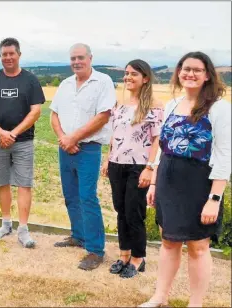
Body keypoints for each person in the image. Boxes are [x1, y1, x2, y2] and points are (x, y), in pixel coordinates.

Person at [140, 51, 231, 308]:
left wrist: (214, 198)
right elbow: (163, 148)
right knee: (168, 241)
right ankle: (160, 297)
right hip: (168, 180)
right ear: (179, 72)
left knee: (198, 247)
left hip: (199, 184)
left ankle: (196, 303)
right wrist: (156, 182)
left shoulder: (219, 109)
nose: (190, 74)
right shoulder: (172, 104)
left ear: (207, 75)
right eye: (185, 69)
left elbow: (225, 156)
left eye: (197, 70)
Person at [49, 43, 116, 270]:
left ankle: (95, 250)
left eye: (80, 58)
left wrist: (74, 138)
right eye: (73, 58)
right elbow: (54, 115)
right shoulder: (66, 84)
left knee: (87, 197)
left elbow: (103, 116)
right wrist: (63, 139)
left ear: (90, 58)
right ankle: (78, 235)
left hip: (88, 149)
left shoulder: (103, 82)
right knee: (70, 195)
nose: (76, 62)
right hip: (65, 148)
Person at [0, 37, 45, 248]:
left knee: (24, 184)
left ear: (19, 55)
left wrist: (12, 134)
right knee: (3, 182)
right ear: (0, 57)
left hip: (23, 141)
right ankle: (6, 224)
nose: (8, 57)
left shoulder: (30, 80)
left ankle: (23, 230)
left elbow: (36, 111)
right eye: (4, 54)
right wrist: (0, 132)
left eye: (11, 54)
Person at [101, 59, 164, 278]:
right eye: (126, 73)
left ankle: (139, 258)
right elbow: (115, 135)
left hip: (139, 166)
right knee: (120, 210)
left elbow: (157, 140)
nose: (128, 77)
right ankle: (124, 254)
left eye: (133, 74)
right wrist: (108, 159)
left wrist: (150, 168)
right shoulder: (120, 104)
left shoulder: (154, 106)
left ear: (145, 78)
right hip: (117, 164)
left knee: (134, 213)